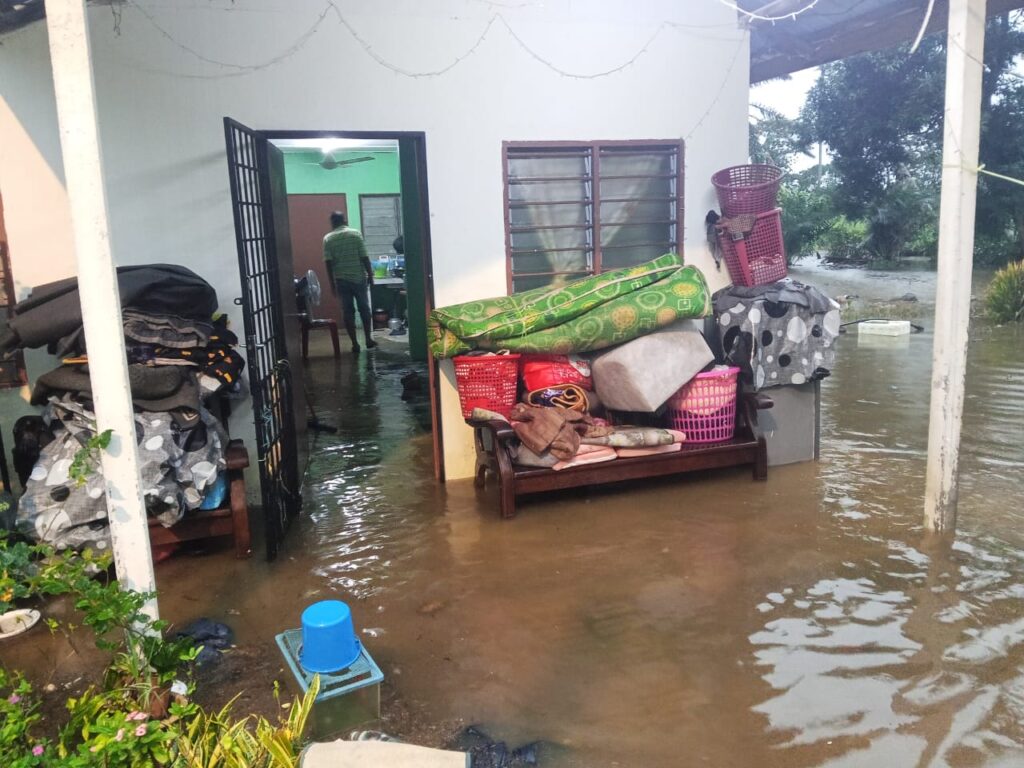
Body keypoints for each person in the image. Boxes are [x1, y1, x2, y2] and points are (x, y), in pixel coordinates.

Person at [323, 211, 376, 353]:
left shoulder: (328, 238)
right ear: (344, 220)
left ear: (332, 222)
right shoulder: (355, 234)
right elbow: (364, 257)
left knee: (347, 312)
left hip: (341, 281)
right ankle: (368, 339)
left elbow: (328, 263)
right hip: (359, 279)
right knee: (364, 309)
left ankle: (355, 344)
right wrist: (370, 276)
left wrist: (332, 283)